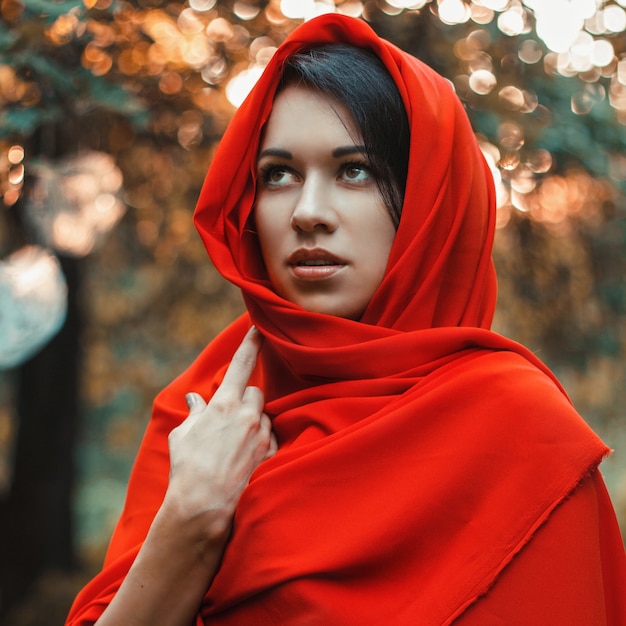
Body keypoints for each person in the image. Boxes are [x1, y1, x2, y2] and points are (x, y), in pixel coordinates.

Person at [67, 13, 626, 625]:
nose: (307, 212)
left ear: (429, 201)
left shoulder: (523, 436)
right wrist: (189, 521)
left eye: (353, 170)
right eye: (278, 175)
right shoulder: (203, 413)